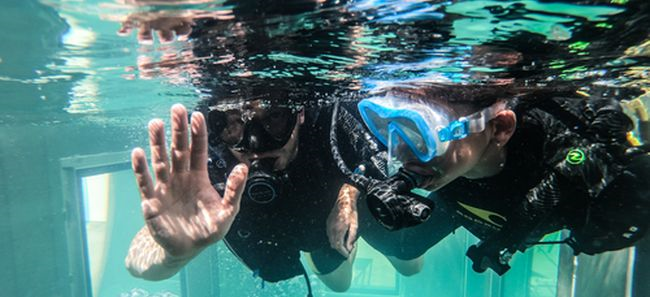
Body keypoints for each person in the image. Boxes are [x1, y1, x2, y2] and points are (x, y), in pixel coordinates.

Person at [329, 82, 650, 275]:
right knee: (400, 246)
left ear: (499, 128)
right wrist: (349, 196)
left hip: (514, 208)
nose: (399, 151)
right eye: (388, 126)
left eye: (420, 131)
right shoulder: (448, 163)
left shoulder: (563, 156)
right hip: (464, 199)